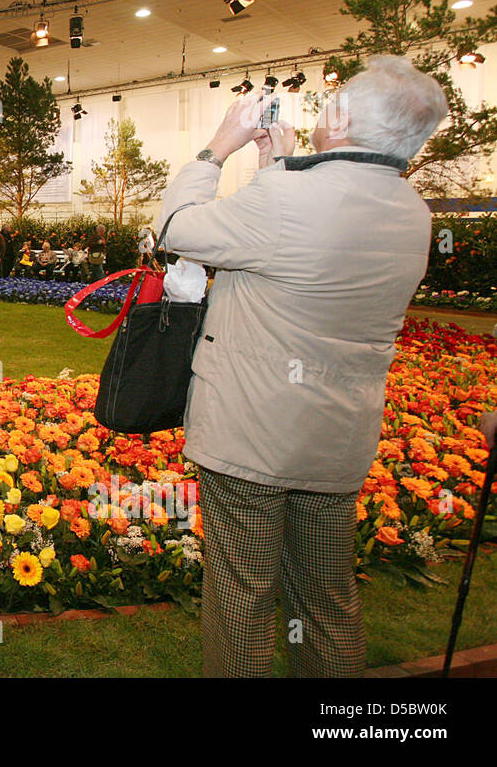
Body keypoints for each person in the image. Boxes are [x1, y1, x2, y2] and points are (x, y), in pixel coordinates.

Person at [156, 55, 449, 678]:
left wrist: (218, 149)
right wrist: (277, 168)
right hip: (337, 439)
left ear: (340, 120)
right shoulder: (412, 212)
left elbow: (177, 228)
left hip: (252, 439)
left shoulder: (287, 197)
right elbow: (294, 258)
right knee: (326, 598)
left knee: (244, 599)